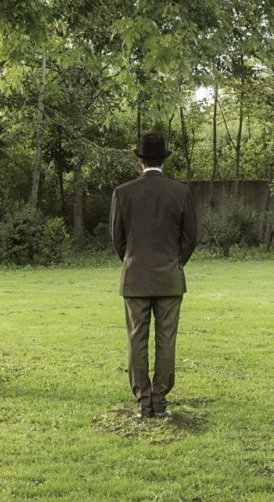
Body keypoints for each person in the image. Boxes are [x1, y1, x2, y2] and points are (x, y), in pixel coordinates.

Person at [110, 133, 198, 419]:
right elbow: (190, 238)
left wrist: (133, 261)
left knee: (136, 340)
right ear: (163, 159)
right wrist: (174, 262)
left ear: (140, 159)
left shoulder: (123, 193)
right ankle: (160, 401)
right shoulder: (180, 192)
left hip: (135, 277)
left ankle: (142, 402)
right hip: (169, 278)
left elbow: (117, 240)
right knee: (166, 340)